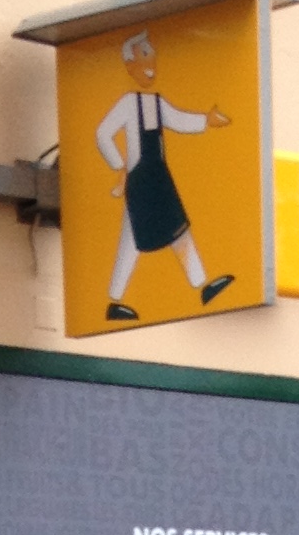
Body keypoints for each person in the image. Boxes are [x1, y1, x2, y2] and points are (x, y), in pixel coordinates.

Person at [94, 29, 236, 324]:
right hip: (139, 181)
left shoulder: (157, 103)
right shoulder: (127, 103)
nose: (151, 64)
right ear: (129, 64)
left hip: (159, 178)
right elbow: (103, 133)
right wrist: (119, 165)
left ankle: (202, 286)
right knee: (132, 242)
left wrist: (205, 121)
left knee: (178, 232)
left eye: (153, 57)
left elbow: (178, 120)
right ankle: (112, 302)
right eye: (145, 56)